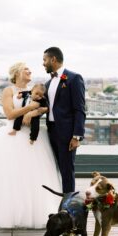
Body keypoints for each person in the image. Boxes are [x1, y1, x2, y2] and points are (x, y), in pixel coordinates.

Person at [0, 62, 61, 228]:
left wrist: (35, 111)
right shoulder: (8, 91)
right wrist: (29, 107)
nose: (30, 71)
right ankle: (9, 213)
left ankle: (35, 212)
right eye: (26, 69)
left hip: (33, 137)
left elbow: (46, 107)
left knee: (33, 177)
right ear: (17, 73)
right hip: (12, 135)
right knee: (10, 177)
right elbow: (9, 114)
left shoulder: (37, 89)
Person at [43, 47, 86, 193]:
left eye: (45, 60)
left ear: (53, 59)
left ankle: (68, 209)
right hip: (50, 133)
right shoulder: (48, 84)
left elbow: (79, 109)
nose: (43, 63)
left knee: (67, 171)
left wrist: (76, 136)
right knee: (54, 170)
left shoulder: (74, 78)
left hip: (67, 135)